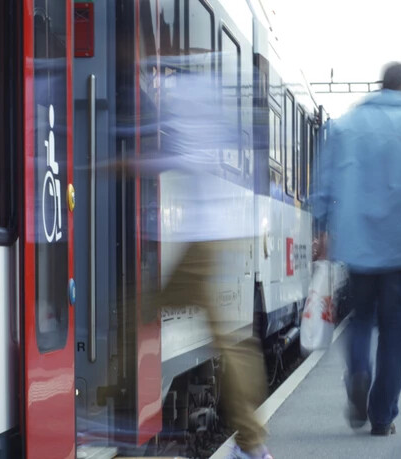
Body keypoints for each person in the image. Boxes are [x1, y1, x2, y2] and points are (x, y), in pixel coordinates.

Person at [131, 64, 272, 459]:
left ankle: (253, 444)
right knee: (227, 340)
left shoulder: (185, 89)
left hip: (202, 240)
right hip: (211, 236)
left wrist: (118, 165)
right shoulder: (204, 85)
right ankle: (253, 443)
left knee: (140, 312)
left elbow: (177, 155)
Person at [312, 62, 401, 436]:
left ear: (381, 85)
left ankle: (359, 372)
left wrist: (321, 229)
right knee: (396, 332)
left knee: (362, 319)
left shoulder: (345, 125)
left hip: (359, 245)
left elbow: (324, 181)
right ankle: (382, 417)